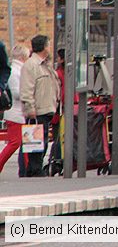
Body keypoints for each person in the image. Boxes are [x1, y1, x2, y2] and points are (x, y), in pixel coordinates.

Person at [18, 35, 61, 177]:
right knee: (35, 142)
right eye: (48, 45)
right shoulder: (31, 65)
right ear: (43, 47)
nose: (50, 48)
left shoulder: (45, 64)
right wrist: (30, 109)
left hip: (47, 108)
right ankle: (35, 169)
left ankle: (33, 168)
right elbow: (26, 89)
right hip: (37, 111)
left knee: (42, 141)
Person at [0, 43, 28, 174]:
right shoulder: (16, 71)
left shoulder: (16, 70)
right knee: (15, 142)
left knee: (24, 142)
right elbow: (16, 92)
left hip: (17, 112)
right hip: (16, 112)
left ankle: (27, 167)